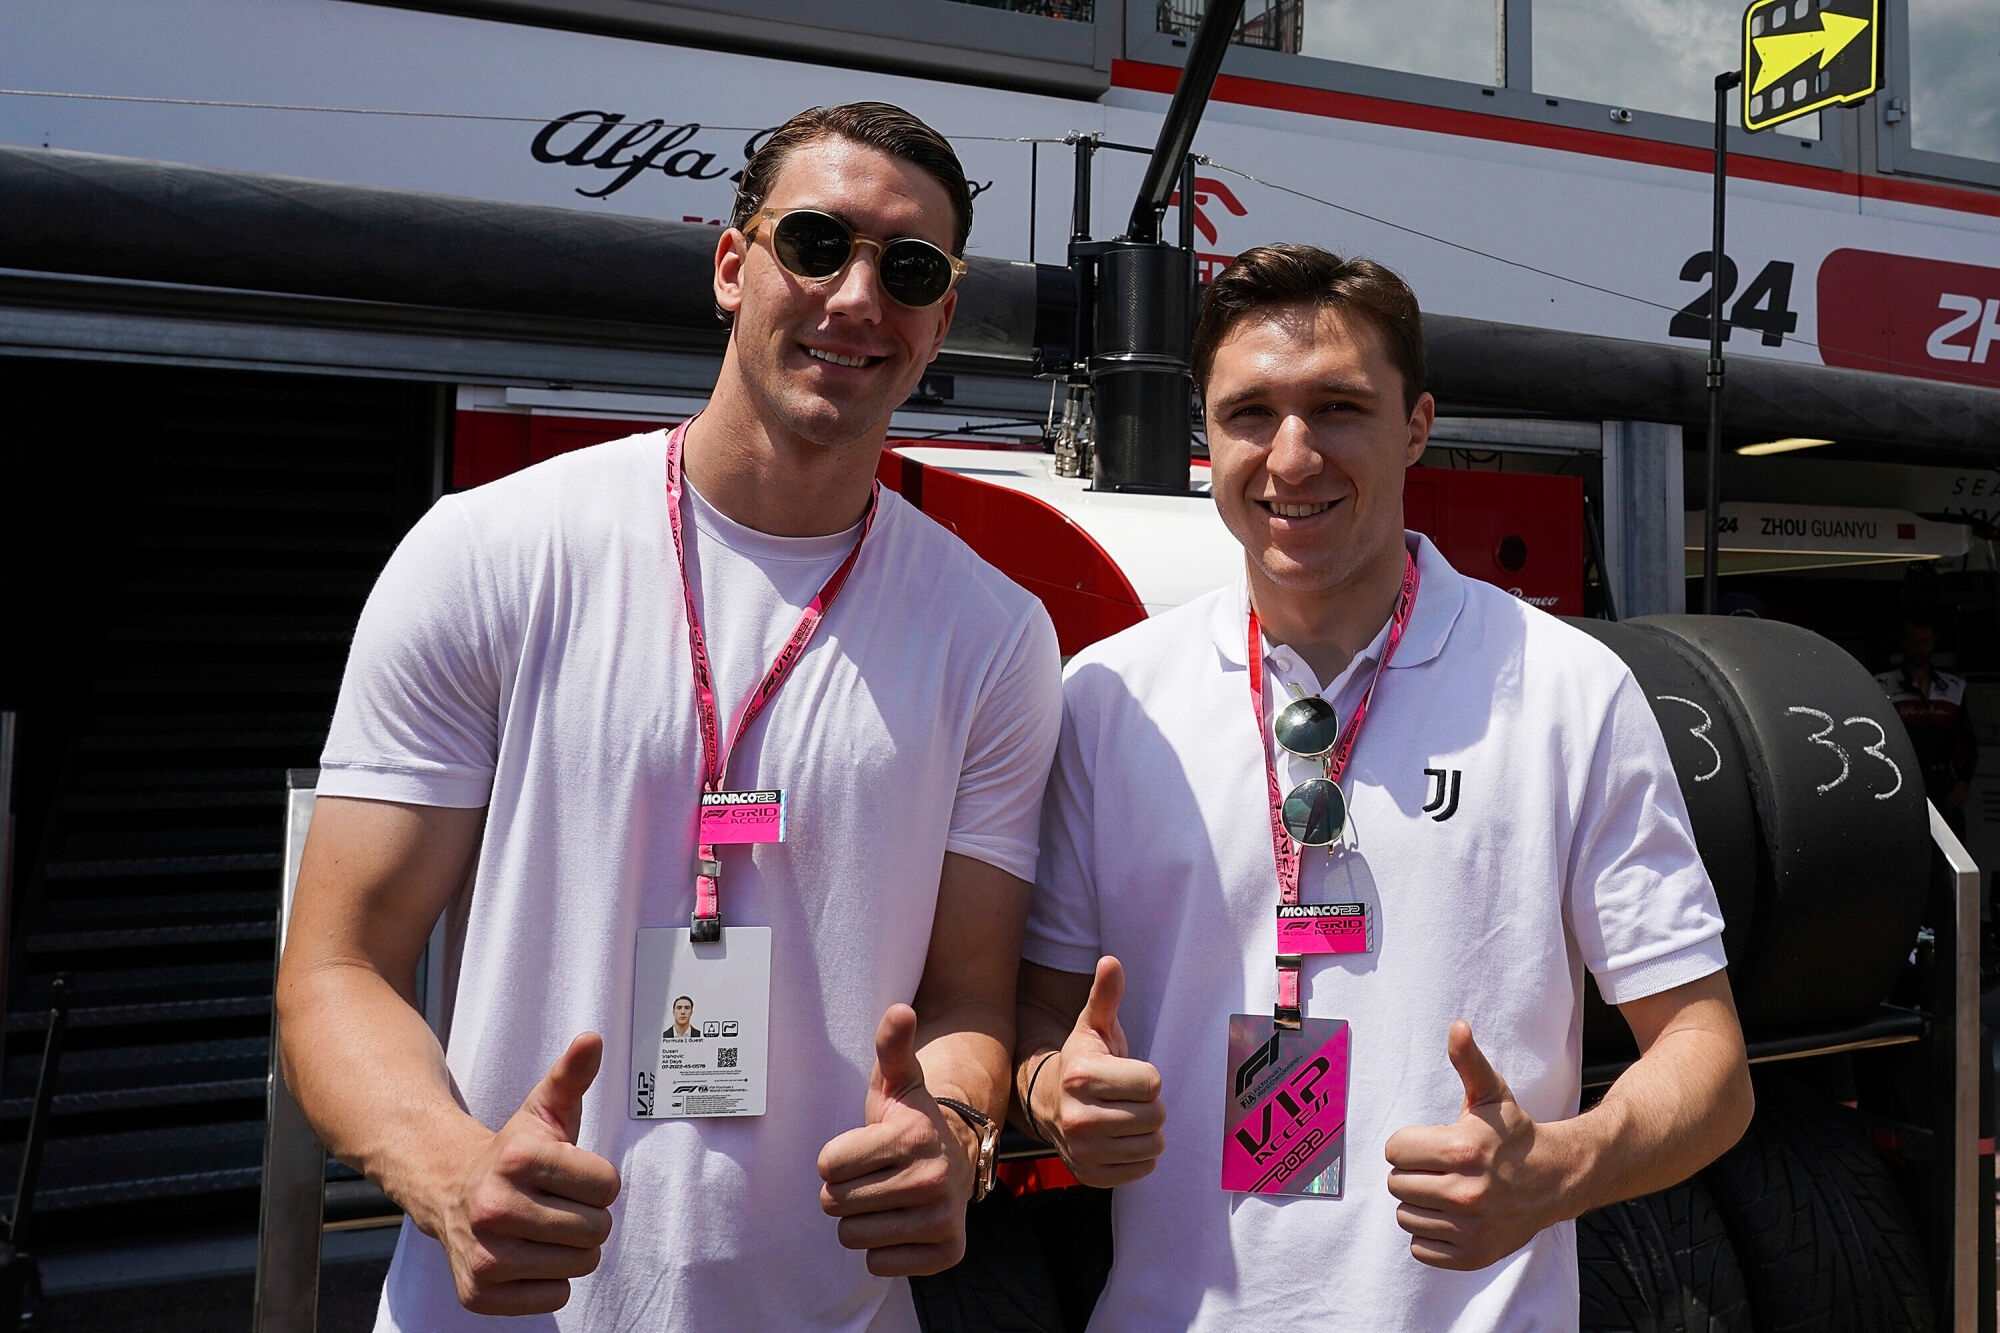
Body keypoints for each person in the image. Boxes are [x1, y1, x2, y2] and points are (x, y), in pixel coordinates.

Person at [277, 102, 1061, 1330]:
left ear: (941, 318)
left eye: (909, 270)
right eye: (815, 244)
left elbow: (969, 994)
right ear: (732, 265)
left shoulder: (995, 634)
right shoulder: (491, 551)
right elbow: (337, 965)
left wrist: (952, 1129)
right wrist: (447, 1170)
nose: (857, 296)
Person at [1013, 244, 1753, 1331]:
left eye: (1338, 408)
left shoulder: (1567, 689)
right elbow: (1038, 1015)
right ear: (1204, 434)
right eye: (1250, 413)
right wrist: (1052, 1089)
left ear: (1416, 425)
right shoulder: (1110, 698)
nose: (1292, 455)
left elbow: (1708, 1059)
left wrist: (1565, 1165)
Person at [1876, 609, 1979, 839]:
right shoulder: (1883, 685)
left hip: (1944, 783)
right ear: (1903, 642)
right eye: (1913, 641)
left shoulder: (1953, 687)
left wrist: (1964, 781)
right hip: (1902, 782)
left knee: (1951, 849)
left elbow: (1967, 740)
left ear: (1933, 642)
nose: (1919, 648)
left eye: (1925, 641)